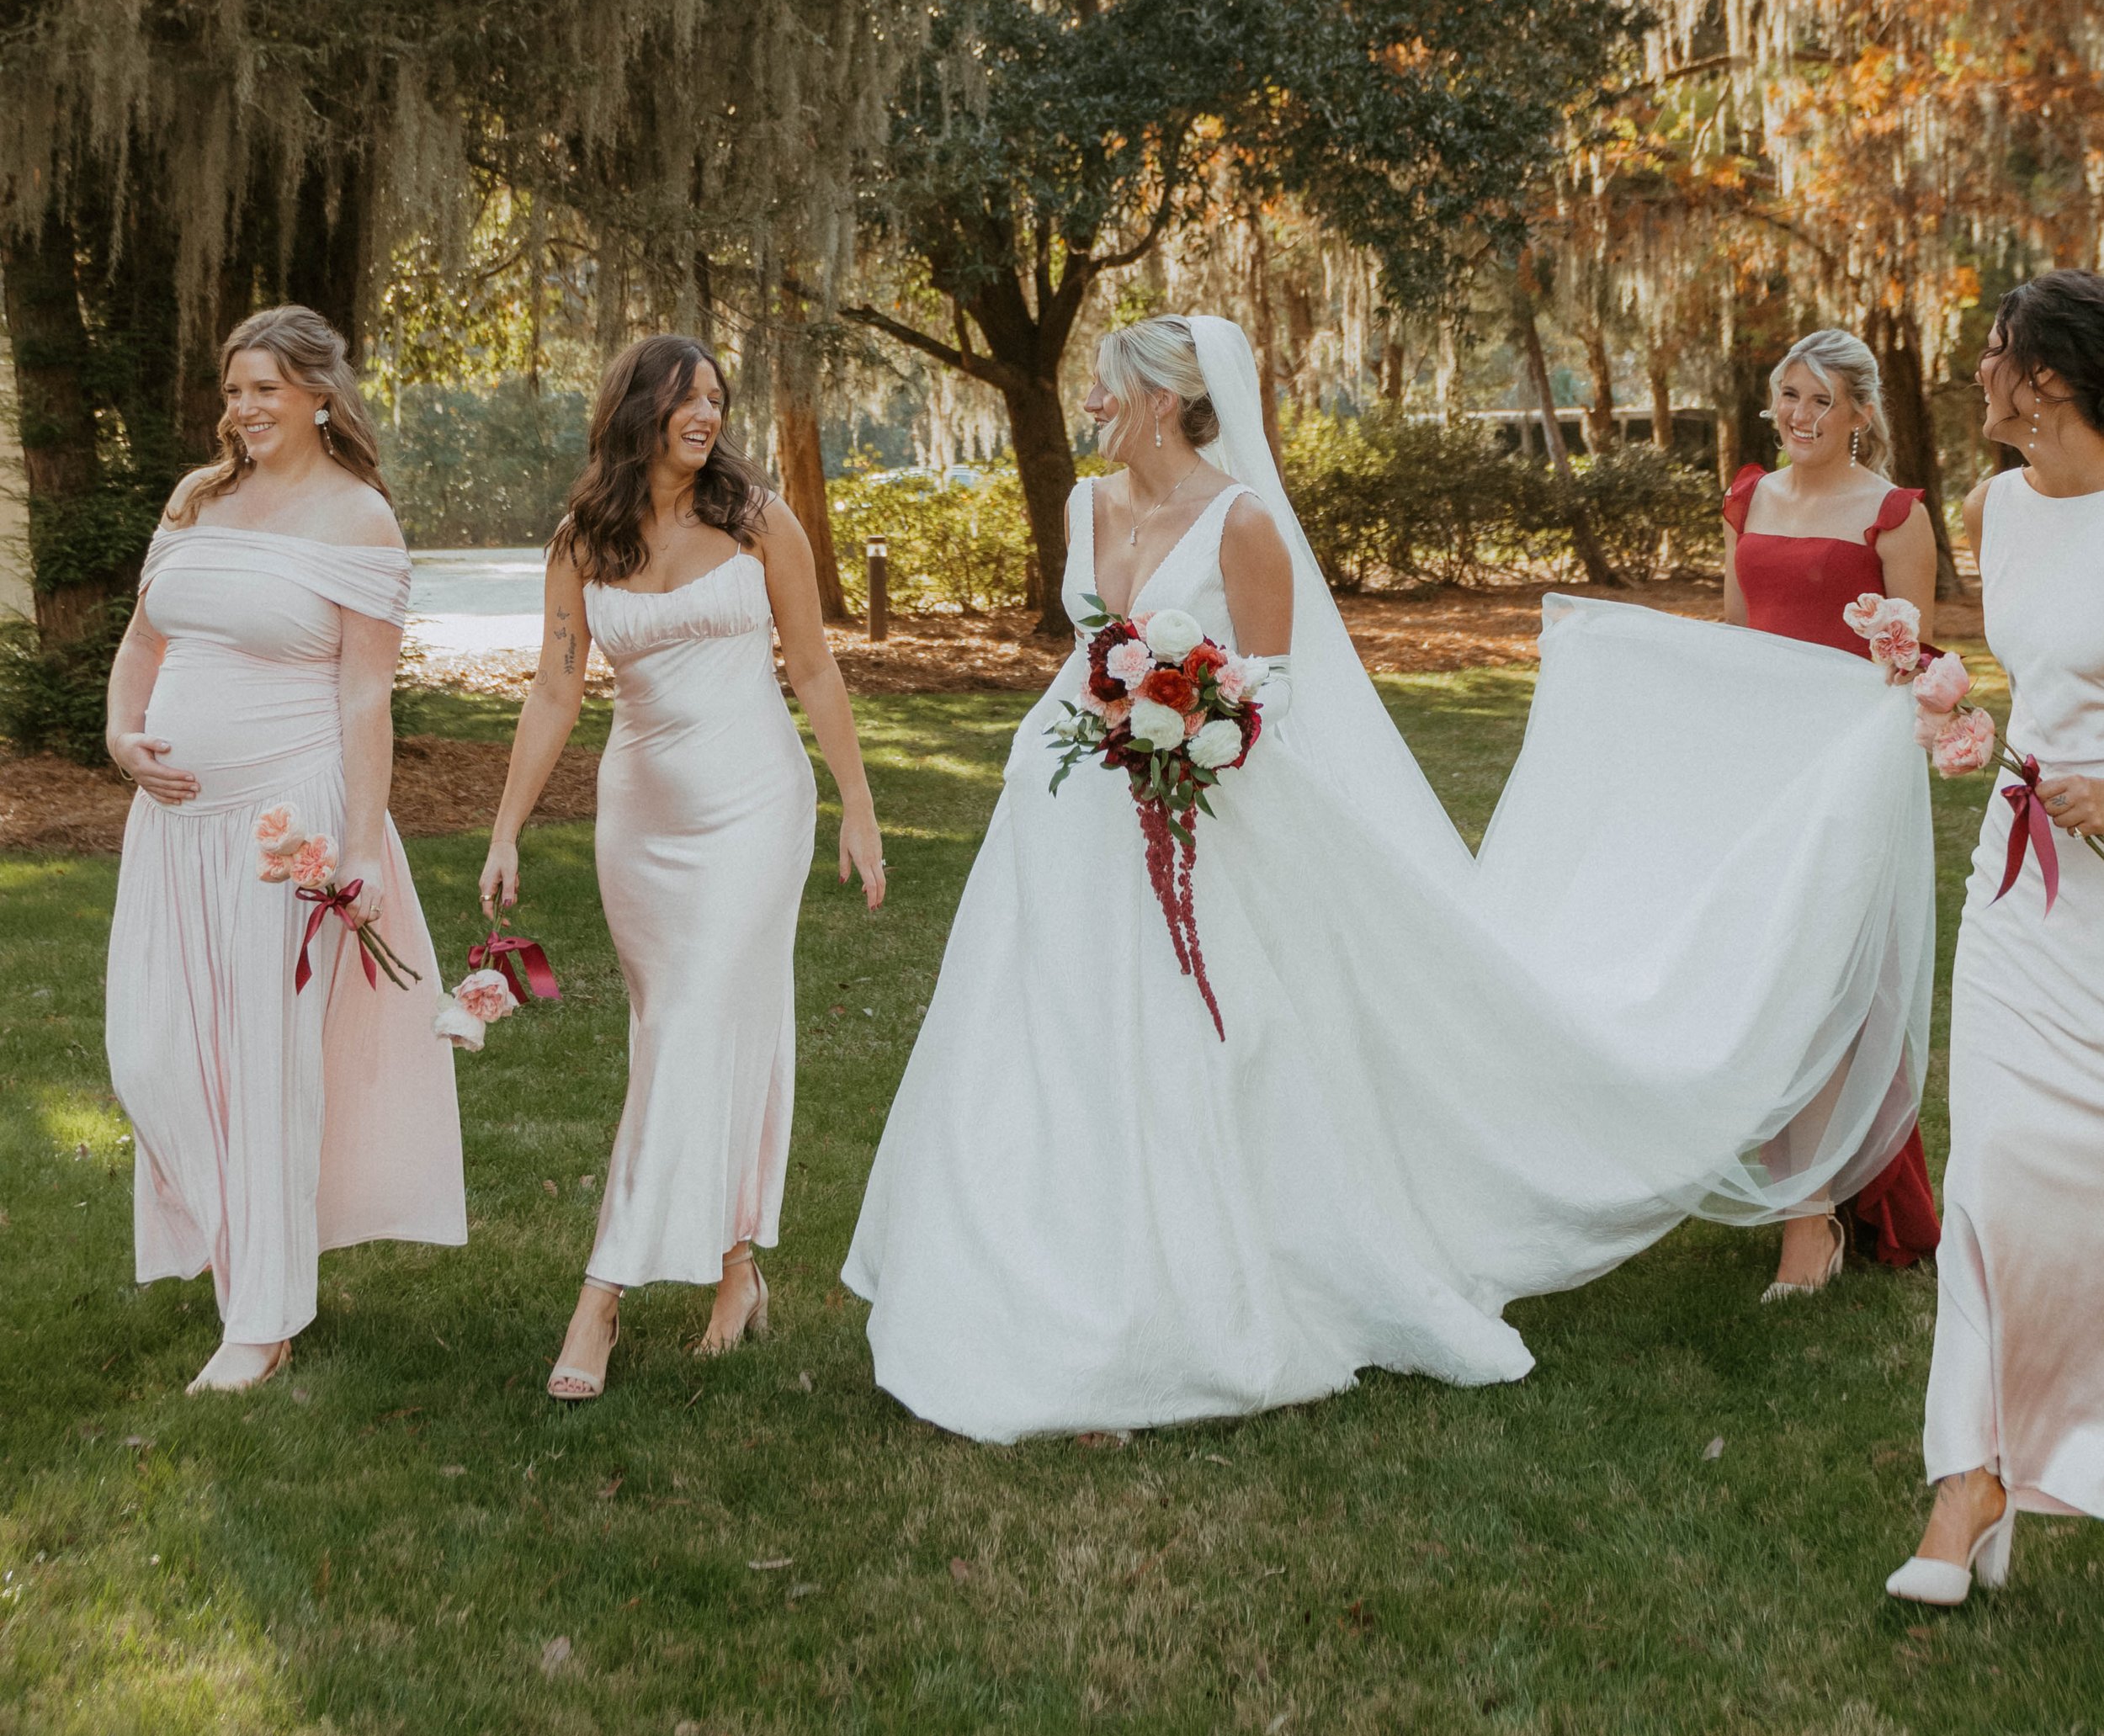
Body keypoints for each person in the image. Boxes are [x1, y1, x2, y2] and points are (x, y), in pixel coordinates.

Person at [847, 312, 1935, 1443]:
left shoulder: (1244, 522)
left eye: (1108, 388)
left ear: (1164, 399)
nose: (1090, 405)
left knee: (1201, 1045)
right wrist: (1103, 725)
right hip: (1065, 810)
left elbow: (1269, 690)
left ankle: (1181, 1293)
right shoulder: (1083, 505)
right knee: (1045, 1033)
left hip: (1201, 809)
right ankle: (1010, 1272)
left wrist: (1183, 730)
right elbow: (1083, 654)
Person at [481, 334, 885, 1400]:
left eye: (716, 400)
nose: (705, 417)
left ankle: (601, 1295)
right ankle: (735, 1271)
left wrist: (858, 802)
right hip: (642, 821)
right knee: (680, 1034)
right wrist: (507, 829)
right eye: (684, 400)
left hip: (755, 804)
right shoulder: (582, 540)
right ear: (636, 411)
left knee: (695, 1027)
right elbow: (555, 689)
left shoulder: (757, 521)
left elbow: (811, 664)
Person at [104, 305, 465, 1394]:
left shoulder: (359, 521)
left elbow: (365, 697)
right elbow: (142, 643)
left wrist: (358, 848)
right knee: (153, 1057)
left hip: (286, 825)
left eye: (266, 388)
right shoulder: (198, 499)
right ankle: (246, 1249)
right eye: (234, 389)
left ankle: (260, 1316)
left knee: (264, 1067)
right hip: (170, 826)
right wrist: (124, 739)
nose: (245, 408)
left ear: (319, 394)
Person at [1887, 270, 2104, 1606]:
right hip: (2023, 885)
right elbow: (2048, 681)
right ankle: (1968, 1486)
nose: (1978, 369)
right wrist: (1969, 727)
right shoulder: (1995, 508)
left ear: (2054, 379)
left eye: (1998, 352)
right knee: (1998, 1168)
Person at [1721, 327, 1942, 1295]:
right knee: (1763, 980)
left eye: (1818, 400)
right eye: (1787, 397)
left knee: (1829, 987)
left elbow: (1908, 664)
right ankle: (1799, 1197)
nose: (1798, 417)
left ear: (1859, 414)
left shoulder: (1893, 516)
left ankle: (1814, 1220)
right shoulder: (1748, 497)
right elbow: (1733, 638)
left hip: (1848, 772)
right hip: (1757, 764)